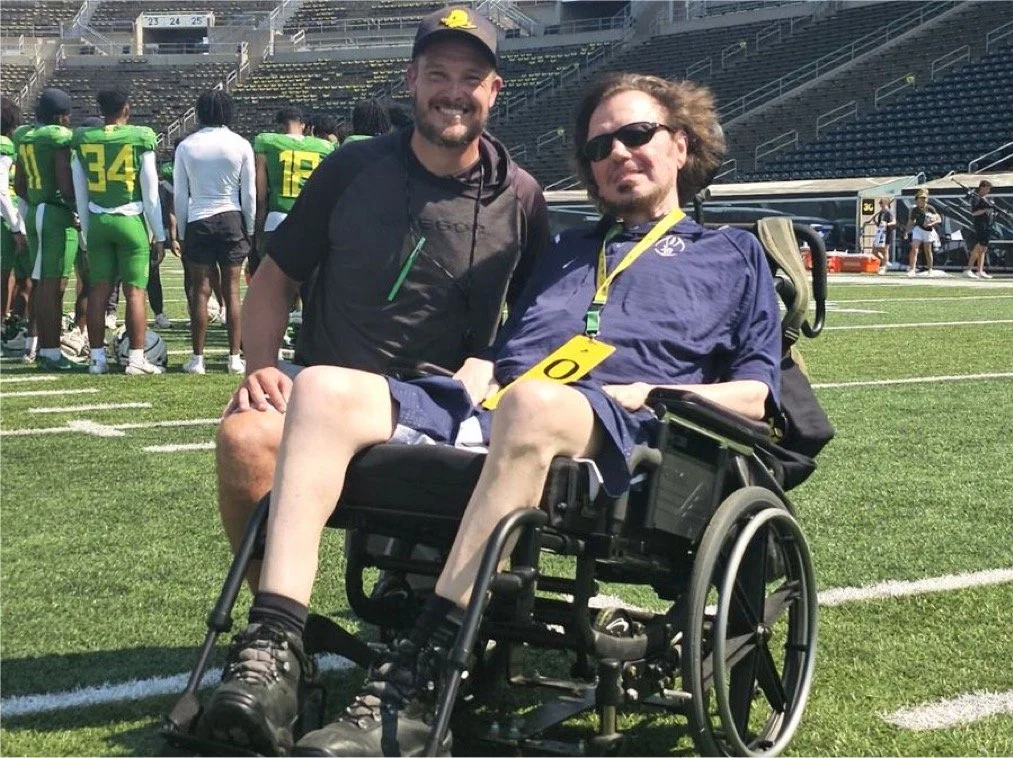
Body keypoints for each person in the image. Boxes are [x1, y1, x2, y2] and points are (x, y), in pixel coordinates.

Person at [197, 71, 779, 757]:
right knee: (323, 387)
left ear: (680, 145)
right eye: (599, 147)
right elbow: (510, 349)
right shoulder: (565, 249)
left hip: (620, 432)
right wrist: (479, 370)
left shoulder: (733, 254)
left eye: (635, 135)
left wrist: (648, 395)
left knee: (533, 403)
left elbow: (755, 396)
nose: (617, 154)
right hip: (498, 408)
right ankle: (273, 649)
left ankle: (418, 674)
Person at [211, 4, 547, 622]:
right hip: (324, 402)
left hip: (445, 410)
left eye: (470, 78)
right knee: (244, 437)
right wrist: (260, 366)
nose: (454, 92)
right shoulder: (350, 169)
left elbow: (537, 316)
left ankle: (449, 603)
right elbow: (275, 278)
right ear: (410, 80)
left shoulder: (519, 194)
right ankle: (277, 636)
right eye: (438, 74)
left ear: (493, 90)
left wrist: (491, 364)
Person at [71, 87, 166, 375]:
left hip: (98, 220)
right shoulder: (139, 137)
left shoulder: (85, 139)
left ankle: (97, 359)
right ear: (126, 107)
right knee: (135, 292)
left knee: (99, 290)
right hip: (130, 219)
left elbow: (80, 192)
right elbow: (150, 193)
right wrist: (159, 234)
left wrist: (87, 232)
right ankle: (136, 359)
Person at [173, 89, 255, 375]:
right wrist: (251, 227)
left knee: (200, 291)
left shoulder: (186, 146)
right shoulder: (241, 144)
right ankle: (234, 358)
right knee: (232, 291)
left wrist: (181, 232)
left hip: (198, 219)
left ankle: (197, 359)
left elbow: (181, 195)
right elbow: (250, 193)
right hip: (232, 216)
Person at [13, 88, 80, 370]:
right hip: (54, 215)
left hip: (35, 212)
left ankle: (40, 344)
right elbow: (65, 186)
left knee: (45, 285)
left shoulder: (24, 136)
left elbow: (19, 186)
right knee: (52, 287)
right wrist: (74, 208)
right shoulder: (57, 137)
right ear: (60, 117)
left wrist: (39, 201)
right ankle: (51, 351)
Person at [249, 106, 334, 281]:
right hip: (312, 220)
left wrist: (257, 231)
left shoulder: (267, 141)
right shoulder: (325, 146)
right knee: (310, 284)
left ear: (280, 127)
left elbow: (261, 195)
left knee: (276, 285)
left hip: (278, 217)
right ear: (304, 126)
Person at [1, 96, 29, 334]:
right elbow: (1, 190)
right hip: (7, 217)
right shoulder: (5, 145)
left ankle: (12, 322)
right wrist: (16, 226)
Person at [904, 189, 944, 277]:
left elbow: (939, 219)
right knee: (914, 247)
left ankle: (930, 269)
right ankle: (912, 269)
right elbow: (911, 221)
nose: (922, 200)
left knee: (928, 250)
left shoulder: (930, 208)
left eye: (924, 198)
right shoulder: (915, 210)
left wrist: (931, 223)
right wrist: (906, 231)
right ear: (917, 199)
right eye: (920, 198)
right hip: (918, 229)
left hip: (928, 231)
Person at [964, 179, 994, 279]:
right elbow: (974, 213)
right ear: (982, 187)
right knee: (978, 246)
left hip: (988, 225)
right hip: (980, 225)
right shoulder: (976, 198)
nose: (988, 191)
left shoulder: (986, 198)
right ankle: (968, 269)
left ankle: (979, 270)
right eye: (987, 189)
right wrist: (985, 209)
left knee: (984, 248)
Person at [868, 196, 894, 275]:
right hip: (880, 233)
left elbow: (894, 222)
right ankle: (885, 262)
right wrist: (875, 222)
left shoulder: (889, 212)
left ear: (886, 203)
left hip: (886, 233)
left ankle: (884, 266)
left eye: (881, 203)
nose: (880, 204)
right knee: (874, 251)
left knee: (885, 250)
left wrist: (887, 224)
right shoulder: (881, 213)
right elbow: (880, 225)